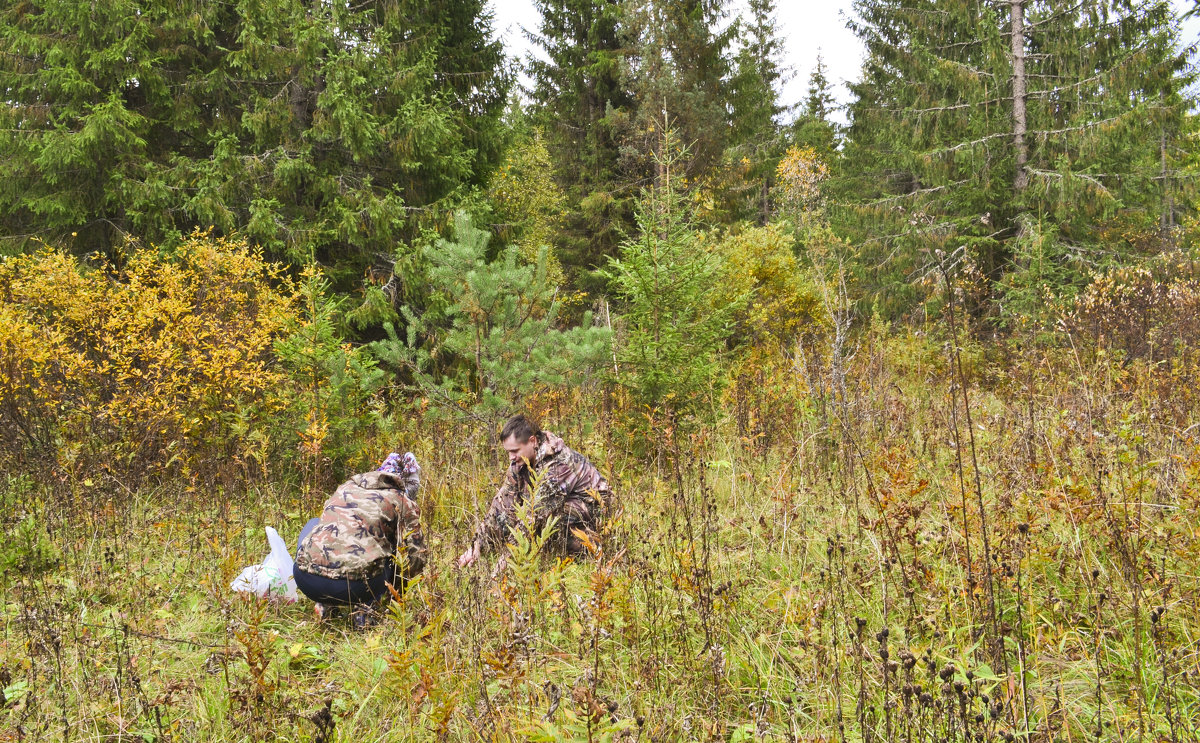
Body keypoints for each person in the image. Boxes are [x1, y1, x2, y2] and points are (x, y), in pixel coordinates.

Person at [458, 414, 609, 568]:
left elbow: (536, 513)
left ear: (532, 441)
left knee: (549, 521)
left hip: (595, 512)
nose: (511, 457)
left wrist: (506, 559)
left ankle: (589, 547)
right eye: (508, 452)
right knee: (508, 516)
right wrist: (477, 544)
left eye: (515, 451)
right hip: (564, 508)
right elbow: (501, 505)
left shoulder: (560, 464)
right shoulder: (520, 463)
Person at [294, 451, 426, 626]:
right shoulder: (401, 501)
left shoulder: (345, 487)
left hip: (305, 580)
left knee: (315, 525)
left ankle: (325, 603)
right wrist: (397, 593)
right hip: (357, 588)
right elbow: (415, 557)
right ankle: (366, 610)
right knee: (397, 548)